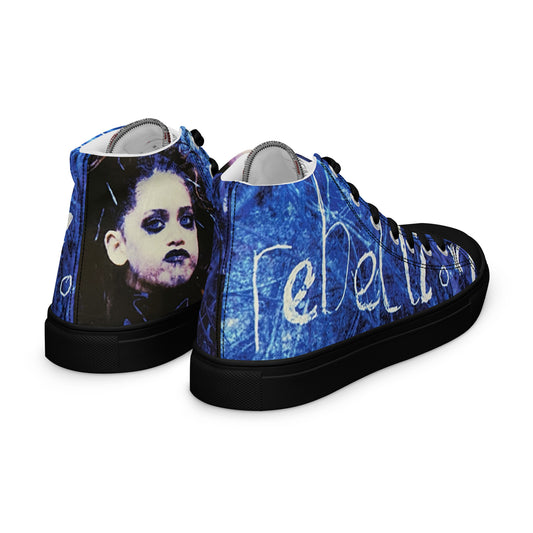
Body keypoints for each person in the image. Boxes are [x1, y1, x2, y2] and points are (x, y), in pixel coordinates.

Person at [79, 146, 212, 326]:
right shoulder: (101, 320)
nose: (177, 236)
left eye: (186, 220)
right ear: (117, 246)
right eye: (155, 223)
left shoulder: (217, 306)